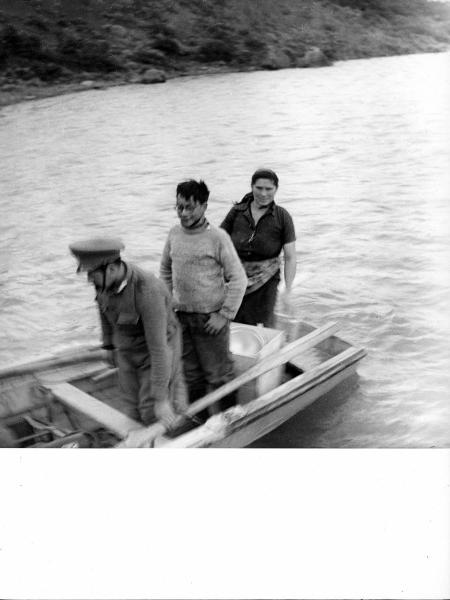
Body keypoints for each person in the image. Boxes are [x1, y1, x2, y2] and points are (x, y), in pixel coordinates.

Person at [69, 237, 187, 428]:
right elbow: (103, 309)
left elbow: (159, 350)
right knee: (131, 407)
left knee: (152, 411)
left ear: (112, 269)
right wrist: (108, 346)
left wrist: (161, 399)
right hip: (126, 347)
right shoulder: (103, 283)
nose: (89, 279)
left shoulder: (148, 291)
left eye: (92, 273)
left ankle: (171, 434)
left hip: (156, 350)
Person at [160, 180, 247, 415]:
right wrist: (169, 304)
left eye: (190, 207)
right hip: (182, 318)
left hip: (210, 320)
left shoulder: (218, 238)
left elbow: (239, 279)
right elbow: (165, 270)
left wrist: (224, 315)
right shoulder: (174, 234)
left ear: (204, 206)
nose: (184, 213)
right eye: (179, 207)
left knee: (219, 375)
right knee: (191, 376)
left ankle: (231, 419)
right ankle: (200, 421)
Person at [220, 168, 297, 328]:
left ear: (276, 189)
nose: (263, 193)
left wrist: (288, 291)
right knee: (232, 321)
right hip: (234, 278)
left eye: (268, 189)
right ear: (252, 187)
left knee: (263, 324)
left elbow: (290, 257)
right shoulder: (237, 212)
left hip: (266, 281)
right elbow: (218, 241)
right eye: (259, 188)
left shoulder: (282, 217)